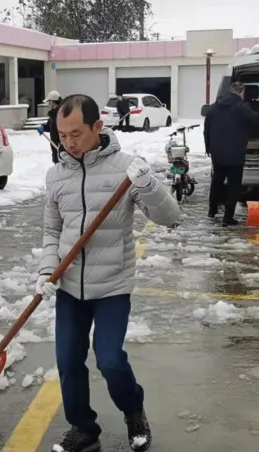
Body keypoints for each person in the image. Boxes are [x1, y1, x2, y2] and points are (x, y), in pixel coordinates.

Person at [37, 94, 181, 452]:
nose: (69, 143)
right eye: (62, 135)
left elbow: (170, 218)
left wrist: (149, 186)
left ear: (98, 127)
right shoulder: (56, 175)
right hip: (70, 286)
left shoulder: (127, 169)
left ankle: (134, 413)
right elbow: (52, 231)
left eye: (77, 134)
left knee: (111, 360)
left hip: (112, 285)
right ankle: (84, 429)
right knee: (68, 361)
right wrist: (46, 270)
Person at [203, 82, 259, 226]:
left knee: (217, 181)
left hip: (218, 153)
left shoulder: (214, 107)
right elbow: (258, 119)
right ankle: (228, 218)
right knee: (233, 185)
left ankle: (212, 211)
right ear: (241, 93)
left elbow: (206, 130)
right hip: (235, 154)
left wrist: (209, 148)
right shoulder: (241, 107)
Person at [38, 90, 63, 163]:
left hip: (62, 152)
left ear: (52, 102)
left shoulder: (61, 114)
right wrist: (43, 127)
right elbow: (50, 127)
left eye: (49, 102)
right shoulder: (53, 114)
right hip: (56, 151)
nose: (48, 105)